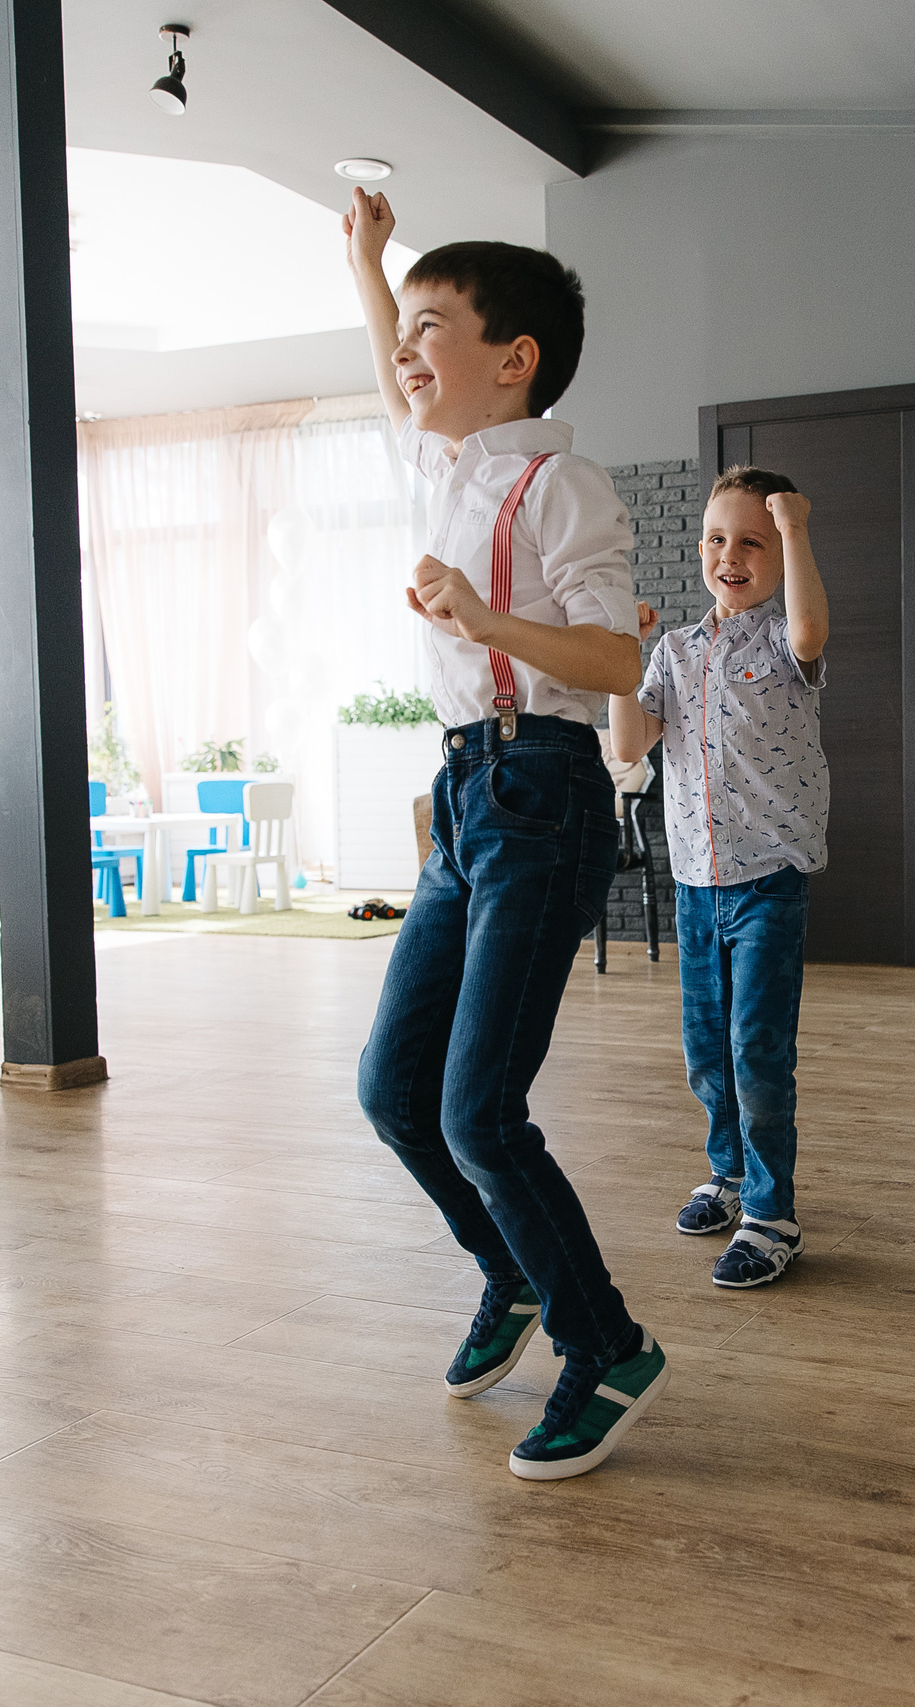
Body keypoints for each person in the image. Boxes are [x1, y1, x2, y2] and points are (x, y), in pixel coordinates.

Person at [341, 186, 668, 1482]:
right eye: (404, 333)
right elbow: (394, 368)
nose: (406, 351)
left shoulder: (555, 482)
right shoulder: (445, 462)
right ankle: (512, 1272)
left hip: (544, 782)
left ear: (513, 360)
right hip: (468, 792)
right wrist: (369, 265)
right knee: (392, 1090)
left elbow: (619, 652)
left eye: (434, 329)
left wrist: (488, 623)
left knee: (480, 1109)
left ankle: (610, 1340)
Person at [606, 467, 831, 1289]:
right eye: (715, 538)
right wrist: (625, 656)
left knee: (756, 1049)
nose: (729, 554)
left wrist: (797, 525)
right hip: (696, 884)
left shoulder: (781, 640)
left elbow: (809, 627)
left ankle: (773, 1213)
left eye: (751, 540)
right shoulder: (675, 650)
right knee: (707, 1049)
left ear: (778, 552)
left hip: (769, 878)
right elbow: (630, 744)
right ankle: (728, 1175)